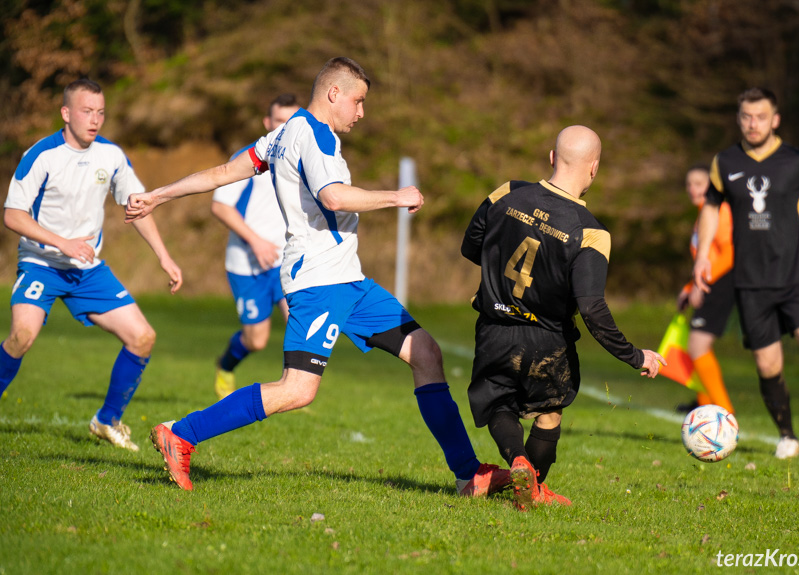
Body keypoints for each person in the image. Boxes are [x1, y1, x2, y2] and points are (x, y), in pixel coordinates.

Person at [125, 57, 509, 495]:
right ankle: (182, 434)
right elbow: (334, 196)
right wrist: (396, 196)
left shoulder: (284, 134)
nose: (362, 112)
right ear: (334, 94)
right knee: (297, 390)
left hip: (349, 279)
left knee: (426, 352)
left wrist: (159, 194)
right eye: (358, 101)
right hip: (319, 281)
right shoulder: (313, 134)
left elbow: (222, 172)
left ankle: (467, 475)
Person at [461, 126, 666, 511]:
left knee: (499, 403)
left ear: (552, 157)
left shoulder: (506, 192)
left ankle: (517, 462)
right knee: (549, 410)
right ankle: (533, 489)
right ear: (594, 169)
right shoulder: (591, 233)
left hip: (494, 326)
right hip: (547, 339)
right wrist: (636, 355)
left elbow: (471, 246)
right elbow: (591, 307)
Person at [1, 78, 183, 451]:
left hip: (88, 270)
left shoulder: (111, 156)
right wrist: (62, 242)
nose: (95, 119)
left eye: (100, 112)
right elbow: (13, 215)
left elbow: (137, 205)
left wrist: (164, 257)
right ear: (66, 113)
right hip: (41, 263)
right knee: (22, 336)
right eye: (87, 111)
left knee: (143, 337)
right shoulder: (42, 155)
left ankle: (107, 420)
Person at [694, 87, 799, 459]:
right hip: (750, 282)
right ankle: (787, 436)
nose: (753, 123)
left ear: (775, 119)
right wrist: (701, 257)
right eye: (746, 116)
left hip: (796, 274)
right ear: (739, 119)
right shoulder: (725, 162)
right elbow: (711, 209)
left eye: (761, 116)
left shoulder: (797, 160)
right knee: (768, 363)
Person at [211, 94, 300, 399]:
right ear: (267, 123)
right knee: (257, 340)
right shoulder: (251, 158)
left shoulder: (303, 158)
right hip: (246, 264)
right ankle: (225, 365)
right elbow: (221, 207)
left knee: (299, 322)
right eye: (279, 122)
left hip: (286, 261)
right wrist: (257, 241)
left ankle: (293, 389)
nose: (285, 128)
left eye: (291, 121)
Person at [674, 164, 735, 414]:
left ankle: (725, 414)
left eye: (698, 183)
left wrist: (703, 283)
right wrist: (689, 287)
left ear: (711, 186)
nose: (692, 189)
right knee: (696, 345)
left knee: (697, 345)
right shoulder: (702, 215)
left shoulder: (719, 210)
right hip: (710, 281)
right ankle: (705, 407)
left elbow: (730, 253)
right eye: (689, 184)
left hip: (723, 281)